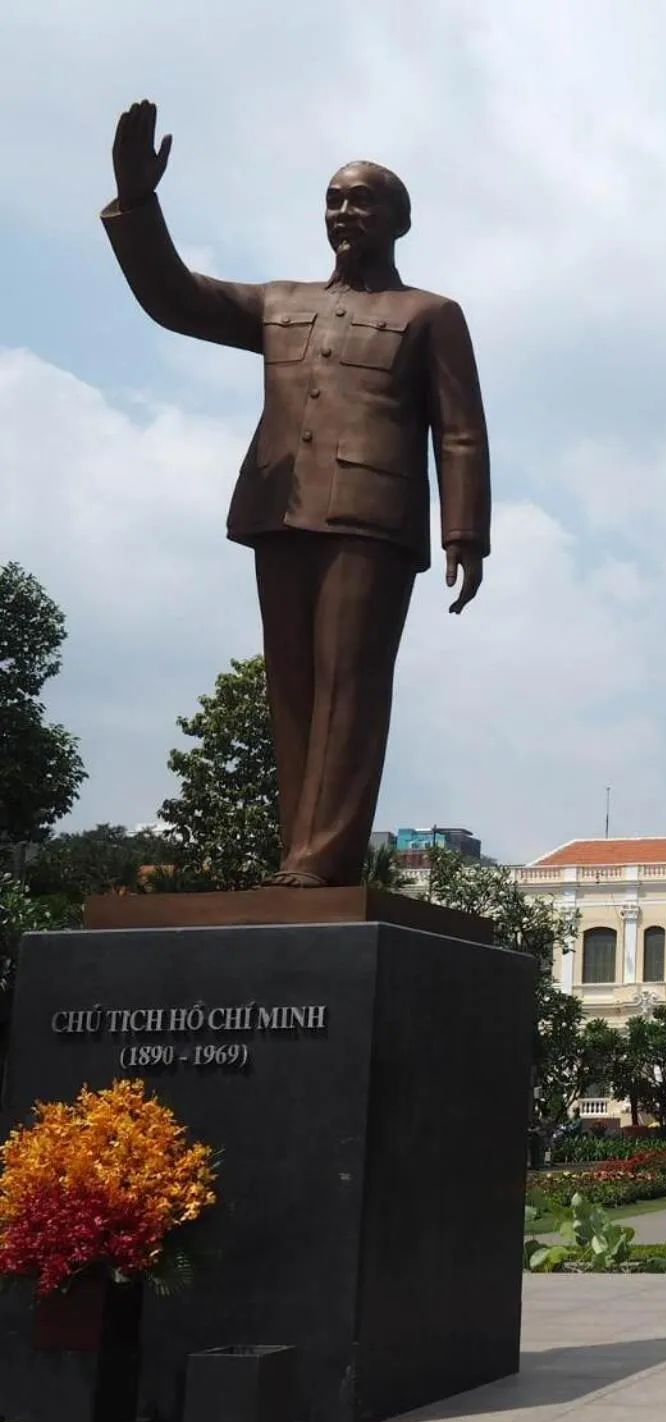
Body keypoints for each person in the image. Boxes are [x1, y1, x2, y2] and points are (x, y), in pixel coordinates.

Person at [101, 100, 490, 888]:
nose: (346, 211)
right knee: (293, 689)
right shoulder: (281, 304)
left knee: (351, 685)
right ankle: (298, 858)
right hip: (279, 512)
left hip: (372, 521)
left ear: (400, 222)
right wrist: (138, 203)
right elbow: (175, 297)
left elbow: (460, 430)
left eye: (364, 199)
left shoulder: (430, 315)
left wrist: (465, 533)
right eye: (334, 199)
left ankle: (325, 859)